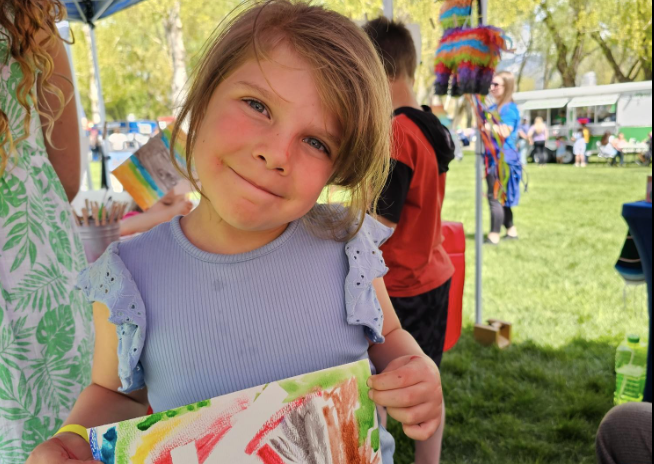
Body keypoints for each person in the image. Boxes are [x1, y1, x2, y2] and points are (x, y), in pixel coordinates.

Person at [27, 2, 444, 463]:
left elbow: (389, 338)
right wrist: (73, 439)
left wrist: (415, 369)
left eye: (316, 142)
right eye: (258, 105)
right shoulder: (129, 276)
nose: (276, 153)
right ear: (204, 98)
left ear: (337, 168)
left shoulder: (345, 246)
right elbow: (117, 394)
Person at [0, 0, 94, 459]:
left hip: (35, 266)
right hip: (36, 254)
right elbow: (69, 177)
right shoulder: (29, 23)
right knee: (63, 435)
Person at [364, 17, 455, 464]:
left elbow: (378, 222)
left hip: (401, 284)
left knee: (392, 387)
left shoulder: (398, 132)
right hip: (433, 272)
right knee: (425, 381)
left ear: (382, 73)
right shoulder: (430, 125)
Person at [485, 71, 522, 245]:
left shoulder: (510, 109)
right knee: (502, 197)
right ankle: (511, 231)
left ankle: (494, 235)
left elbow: (505, 132)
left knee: (495, 197)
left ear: (506, 87)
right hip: (493, 158)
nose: (491, 87)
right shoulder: (493, 108)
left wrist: (486, 126)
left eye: (496, 85)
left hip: (504, 160)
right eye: (491, 84)